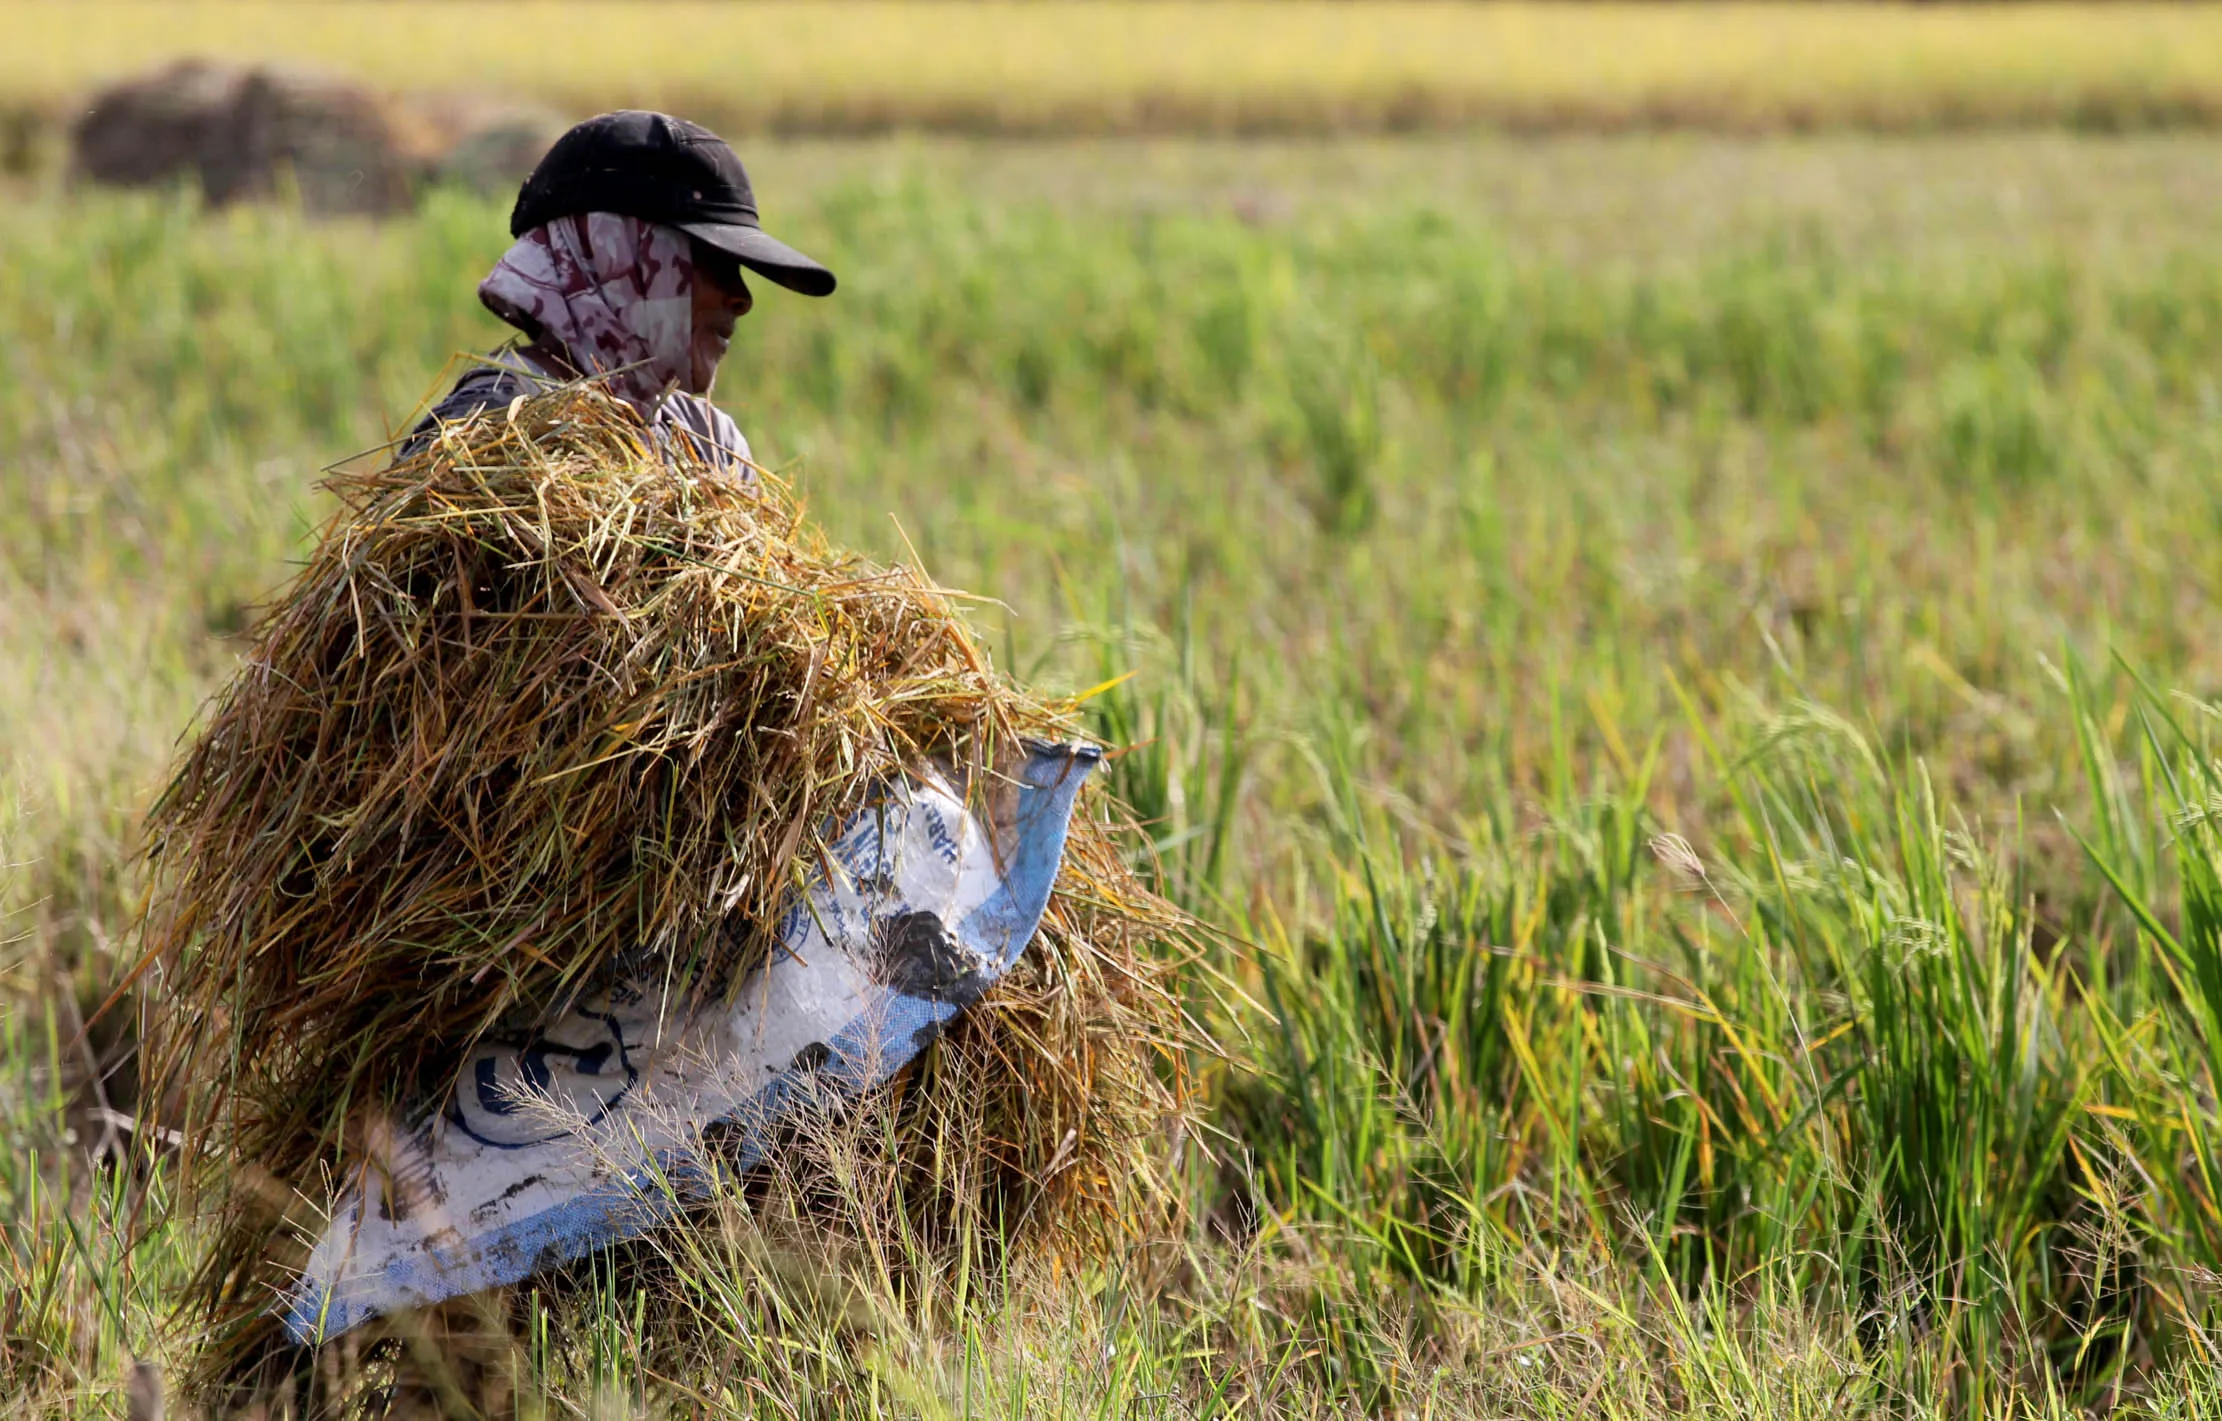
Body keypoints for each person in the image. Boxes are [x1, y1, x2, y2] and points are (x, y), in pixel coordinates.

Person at [410, 109, 836, 470]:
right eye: (712, 261)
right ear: (616, 257)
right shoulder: (490, 430)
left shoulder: (710, 449)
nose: (743, 299)